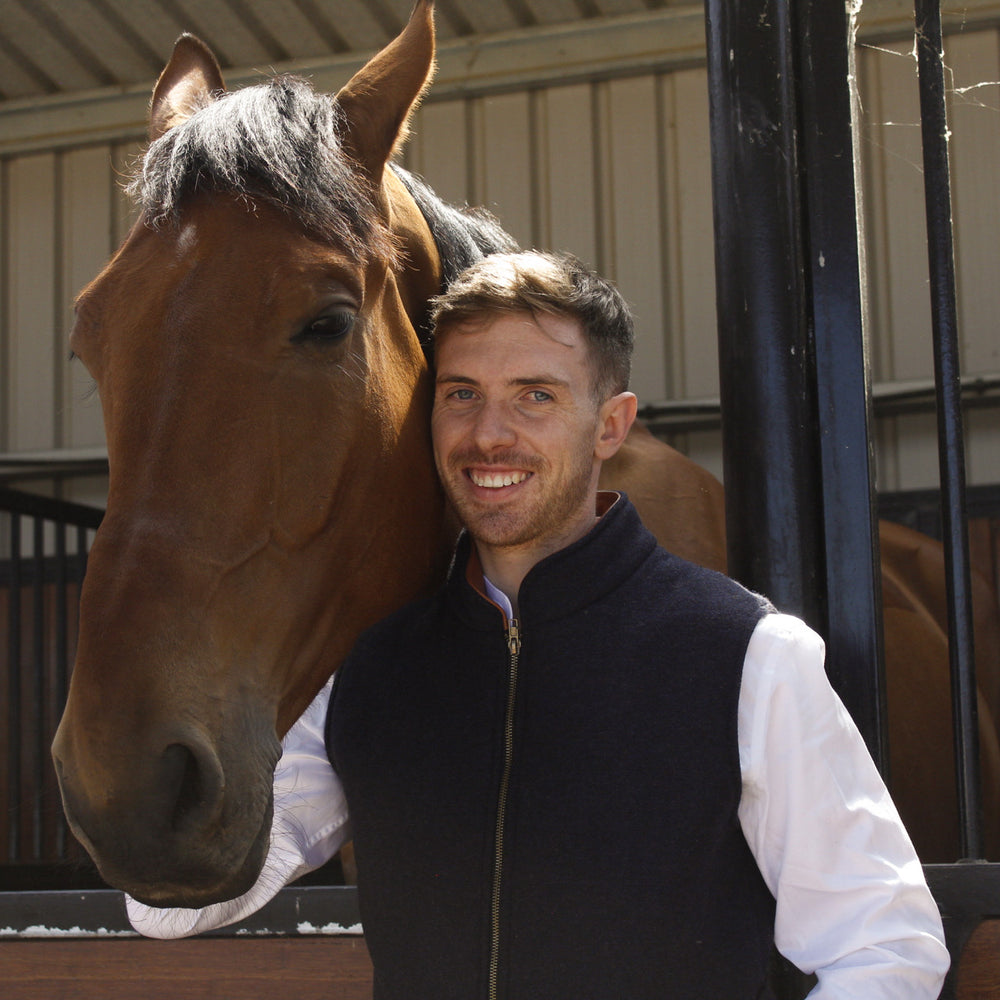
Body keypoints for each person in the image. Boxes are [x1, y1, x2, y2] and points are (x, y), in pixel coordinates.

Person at [128, 251, 949, 998]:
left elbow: (885, 945)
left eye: (536, 397)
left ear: (610, 426)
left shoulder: (747, 655)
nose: (489, 434)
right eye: (462, 396)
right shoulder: (373, 671)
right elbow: (171, 908)